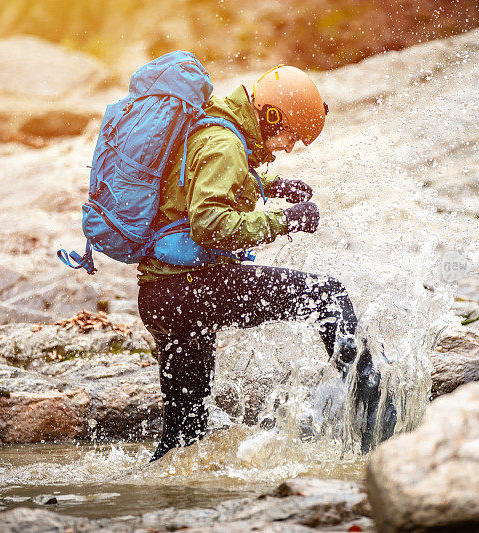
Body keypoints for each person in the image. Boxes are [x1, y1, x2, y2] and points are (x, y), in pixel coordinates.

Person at [137, 65, 380, 461]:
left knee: (184, 437)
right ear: (269, 116)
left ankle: (166, 500)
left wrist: (269, 186)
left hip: (164, 297)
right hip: (189, 289)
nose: (288, 147)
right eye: (291, 135)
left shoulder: (213, 124)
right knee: (327, 295)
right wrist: (285, 220)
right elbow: (210, 225)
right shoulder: (224, 143)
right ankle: (374, 416)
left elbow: (191, 182)